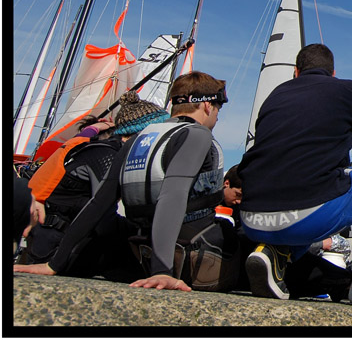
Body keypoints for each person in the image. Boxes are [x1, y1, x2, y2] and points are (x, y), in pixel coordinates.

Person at [15, 73, 235, 293]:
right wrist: (162, 271)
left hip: (141, 252)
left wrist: (55, 263)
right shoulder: (197, 135)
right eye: (217, 110)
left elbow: (99, 203)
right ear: (207, 105)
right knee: (237, 236)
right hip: (191, 256)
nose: (216, 117)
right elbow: (172, 195)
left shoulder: (140, 138)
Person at [239, 43, 352, 310]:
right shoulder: (346, 89)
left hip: (252, 220)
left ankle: (276, 253)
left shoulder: (275, 95)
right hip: (308, 216)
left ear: (296, 72)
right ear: (333, 73)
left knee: (305, 183)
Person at [17, 91, 166, 274]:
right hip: (53, 243)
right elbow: (103, 217)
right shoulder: (107, 156)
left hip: (55, 236)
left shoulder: (102, 149)